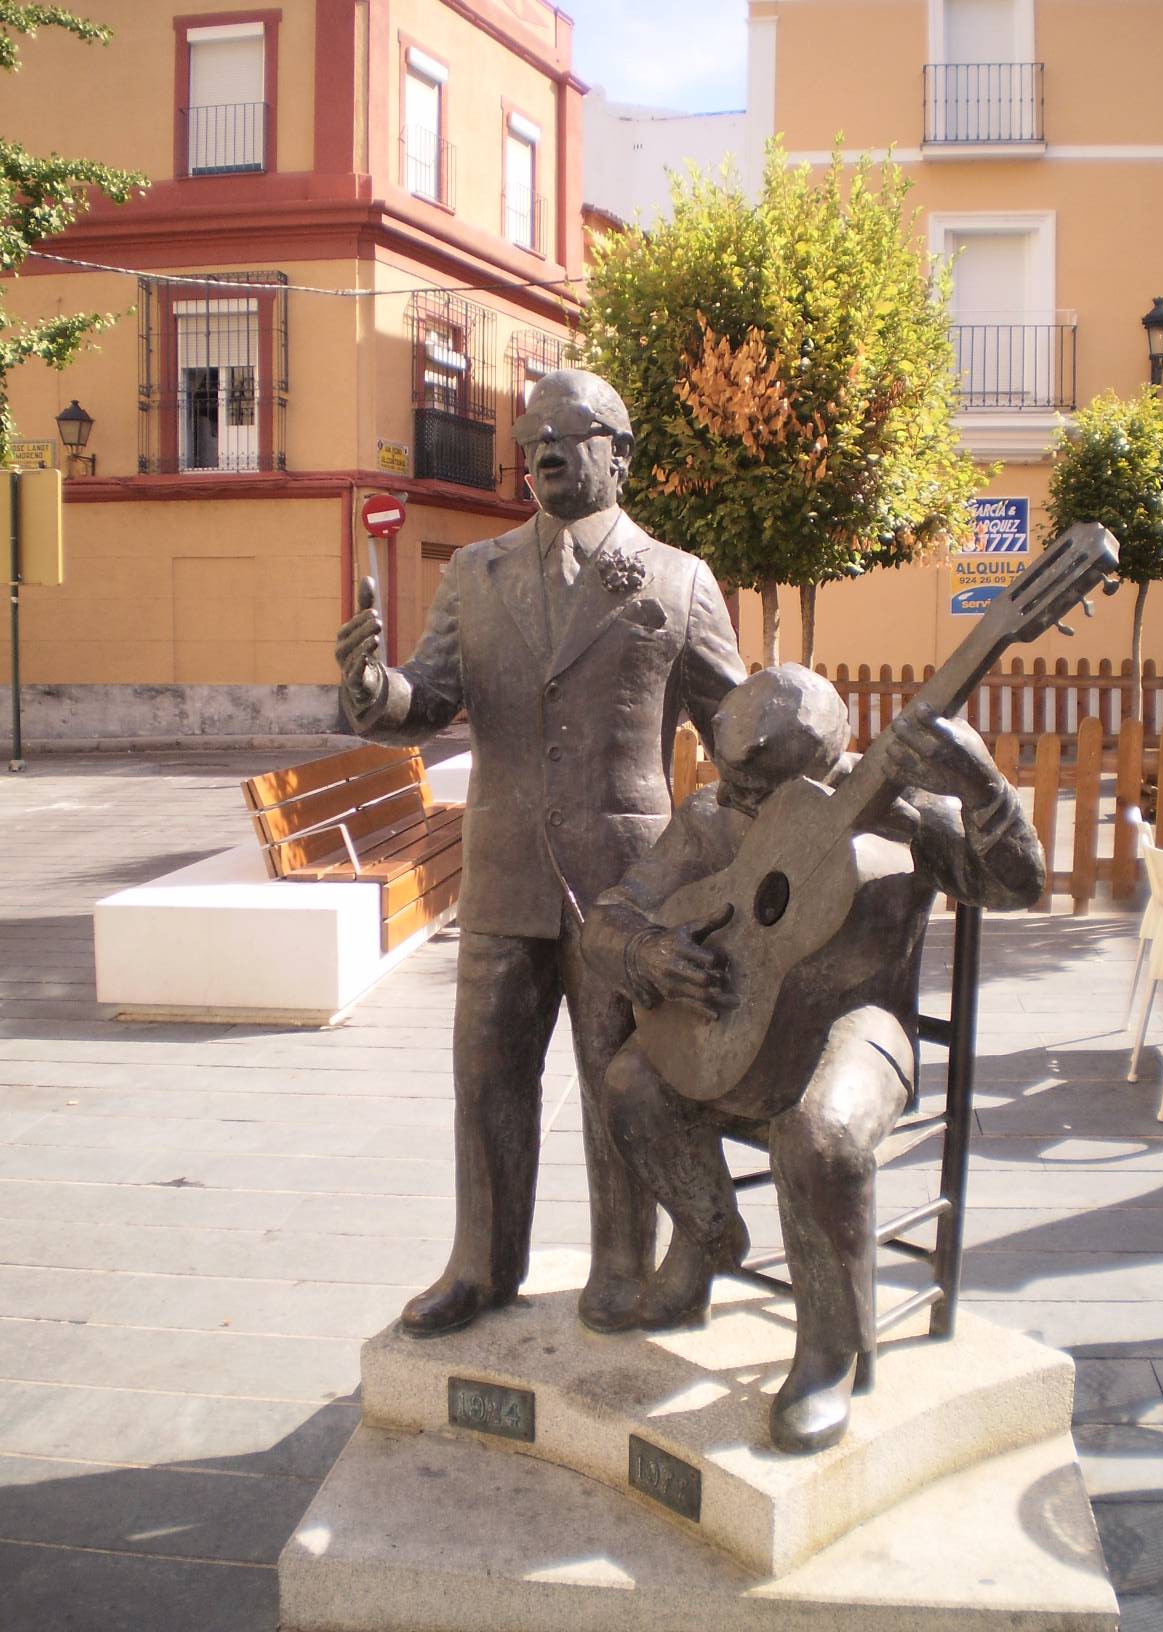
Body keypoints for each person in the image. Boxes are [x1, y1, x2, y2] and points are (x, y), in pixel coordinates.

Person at [334, 369, 746, 1337]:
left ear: (621, 453)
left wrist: (804, 762)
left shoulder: (680, 580)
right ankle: (479, 1267)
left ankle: (623, 1268)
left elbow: (736, 727)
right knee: (485, 1078)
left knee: (618, 1086)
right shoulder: (474, 574)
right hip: (504, 876)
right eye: (532, 439)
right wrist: (374, 690)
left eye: (570, 433)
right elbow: (427, 697)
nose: (545, 450)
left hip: (626, 890)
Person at [582, 664, 1044, 1453]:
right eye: (730, 780)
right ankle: (708, 1235)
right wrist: (650, 953)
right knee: (630, 1081)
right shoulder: (709, 817)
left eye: (756, 790)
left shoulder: (905, 813)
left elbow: (1016, 886)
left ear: (824, 768)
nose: (737, 802)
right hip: (742, 1023)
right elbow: (611, 916)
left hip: (860, 1031)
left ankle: (829, 1352)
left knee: (819, 1135)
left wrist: (982, 788)